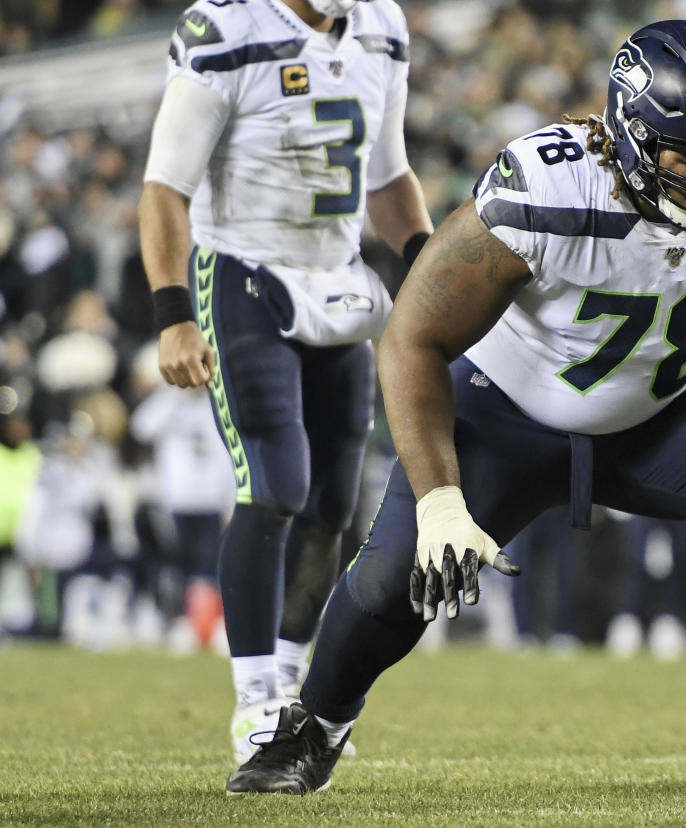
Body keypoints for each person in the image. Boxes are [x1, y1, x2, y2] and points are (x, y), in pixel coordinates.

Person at [224, 19, 686, 799]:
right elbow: (412, 339)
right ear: (633, 139)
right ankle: (313, 726)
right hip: (504, 416)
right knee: (399, 574)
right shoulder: (551, 188)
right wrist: (438, 498)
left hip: (658, 417)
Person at [137, 0, 434, 764]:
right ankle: (253, 699)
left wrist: (433, 280)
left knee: (336, 499)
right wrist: (174, 314)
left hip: (336, 279)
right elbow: (165, 186)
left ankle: (291, 691)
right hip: (242, 272)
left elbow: (389, 175)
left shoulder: (381, 27)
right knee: (276, 485)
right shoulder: (226, 29)